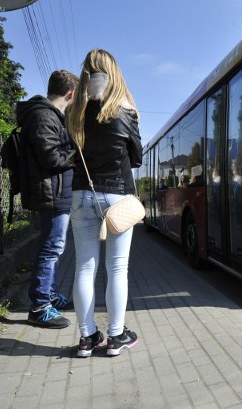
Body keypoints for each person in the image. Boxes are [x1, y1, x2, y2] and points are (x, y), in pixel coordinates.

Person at [66, 49, 143, 357]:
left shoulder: (74, 111)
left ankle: (86, 339)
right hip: (116, 197)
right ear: (114, 73)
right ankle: (115, 336)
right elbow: (136, 157)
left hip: (81, 194)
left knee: (84, 267)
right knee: (117, 268)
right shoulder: (124, 110)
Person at [17, 70, 78, 329]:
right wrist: (77, 151)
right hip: (51, 194)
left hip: (55, 192)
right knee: (51, 250)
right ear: (71, 93)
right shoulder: (45, 116)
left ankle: (50, 297)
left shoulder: (50, 116)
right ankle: (40, 307)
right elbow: (50, 157)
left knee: (54, 247)